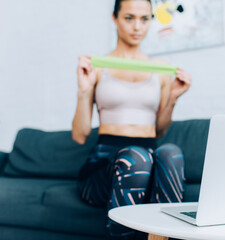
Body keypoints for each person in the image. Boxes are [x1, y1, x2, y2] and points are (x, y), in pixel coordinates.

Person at [72, 0, 191, 239]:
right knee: (136, 158)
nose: (137, 26)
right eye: (129, 18)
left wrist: (173, 99)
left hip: (149, 162)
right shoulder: (97, 67)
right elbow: (80, 134)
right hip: (107, 164)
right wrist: (84, 91)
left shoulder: (161, 70)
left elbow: (159, 131)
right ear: (114, 19)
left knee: (170, 152)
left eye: (145, 19)